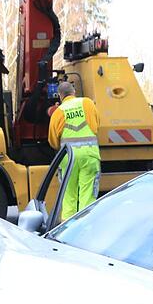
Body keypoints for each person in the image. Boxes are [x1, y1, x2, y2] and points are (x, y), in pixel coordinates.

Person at [48, 81, 101, 220]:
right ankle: (85, 225)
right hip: (89, 155)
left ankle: (67, 229)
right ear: (74, 92)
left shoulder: (58, 112)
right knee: (87, 193)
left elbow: (53, 141)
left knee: (68, 194)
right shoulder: (87, 103)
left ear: (60, 96)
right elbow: (96, 126)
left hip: (68, 159)